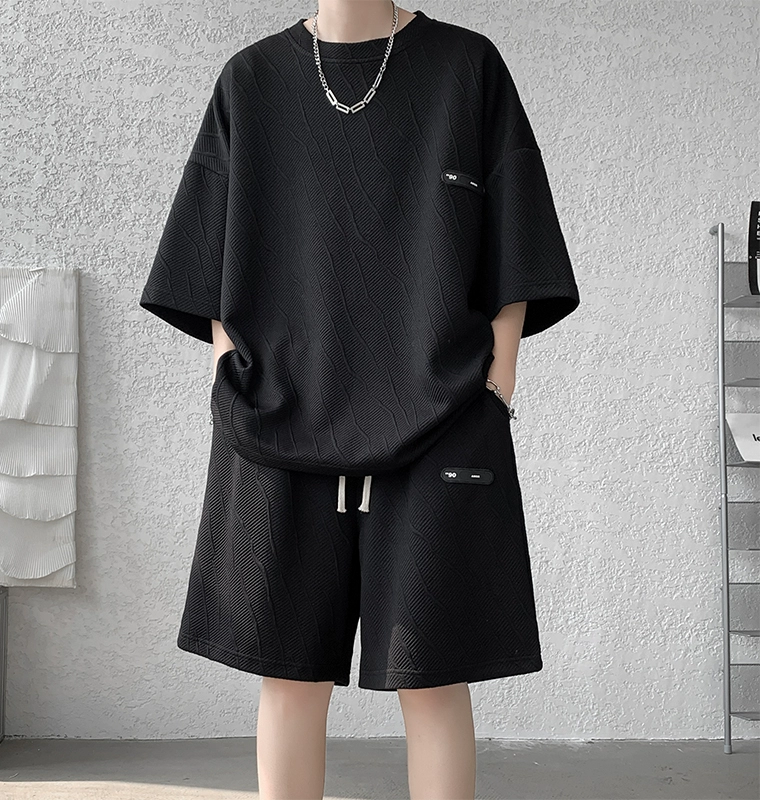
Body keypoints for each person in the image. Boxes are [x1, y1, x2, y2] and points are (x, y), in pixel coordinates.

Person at [139, 2, 580, 798]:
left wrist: (497, 383)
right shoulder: (251, 80)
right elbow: (204, 251)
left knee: (433, 674)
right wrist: (230, 368)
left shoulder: (466, 68)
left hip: (444, 414)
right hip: (275, 416)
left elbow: (518, 235)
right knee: (288, 675)